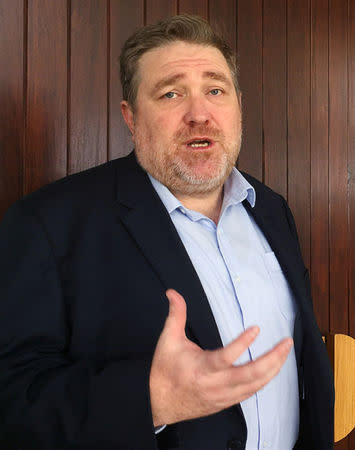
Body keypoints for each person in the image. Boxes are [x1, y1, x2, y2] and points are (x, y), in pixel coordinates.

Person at [0, 14, 334, 450]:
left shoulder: (272, 210)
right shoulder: (47, 224)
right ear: (132, 117)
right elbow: (12, 401)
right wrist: (150, 400)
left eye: (215, 90)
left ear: (238, 107)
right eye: (171, 93)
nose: (199, 114)